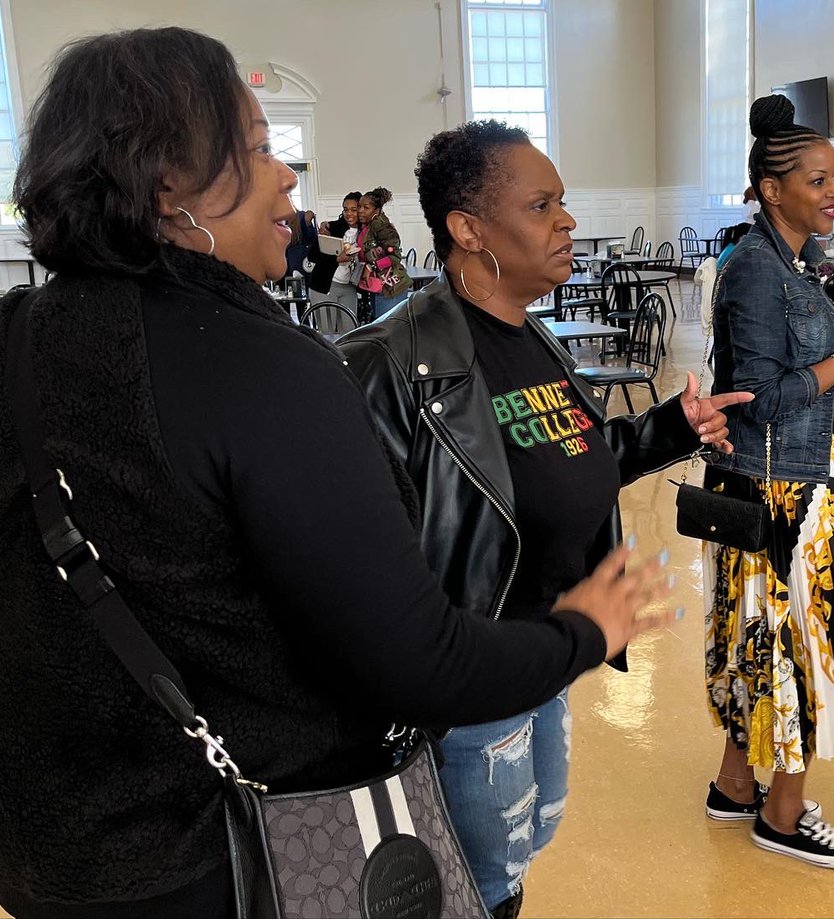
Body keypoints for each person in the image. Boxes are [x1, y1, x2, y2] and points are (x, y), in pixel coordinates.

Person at [0, 28, 673, 918]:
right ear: (167, 183)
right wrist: (582, 631)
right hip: (221, 851)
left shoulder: (5, 338)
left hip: (39, 845)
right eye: (258, 147)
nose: (289, 175)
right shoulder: (263, 367)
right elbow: (419, 662)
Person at [340, 119, 752, 917]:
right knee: (471, 883)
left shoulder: (533, 337)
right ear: (468, 228)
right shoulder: (389, 364)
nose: (567, 220)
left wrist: (670, 428)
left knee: (515, 861)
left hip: (545, 660)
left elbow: (562, 456)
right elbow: (369, 558)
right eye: (541, 205)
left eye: (562, 202)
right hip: (467, 687)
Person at [701, 94, 834, 870]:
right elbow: (756, 399)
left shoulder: (785, 259)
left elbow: (791, 376)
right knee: (800, 646)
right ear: (770, 189)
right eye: (818, 180)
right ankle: (782, 816)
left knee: (756, 639)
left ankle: (733, 784)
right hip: (777, 492)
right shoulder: (758, 269)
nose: (833, 193)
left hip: (783, 479)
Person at [355, 186, 412, 322]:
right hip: (379, 285)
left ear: (376, 210)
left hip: (392, 286)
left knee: (387, 327)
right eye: (359, 207)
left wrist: (371, 267)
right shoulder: (368, 225)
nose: (360, 211)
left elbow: (395, 255)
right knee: (380, 325)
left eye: (366, 207)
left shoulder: (381, 226)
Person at [307, 191, 360, 297]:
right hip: (324, 285)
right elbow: (312, 256)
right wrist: (337, 259)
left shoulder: (366, 232)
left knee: (350, 314)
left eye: (354, 210)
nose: (349, 213)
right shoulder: (331, 227)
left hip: (351, 286)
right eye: (346, 209)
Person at [279, 206, 317, 283]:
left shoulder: (300, 216)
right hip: (282, 263)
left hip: (299, 261)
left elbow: (312, 240)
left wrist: (308, 223)